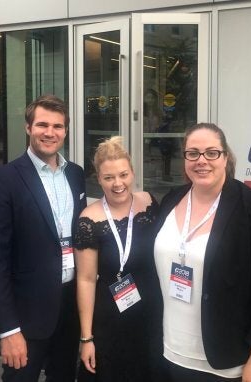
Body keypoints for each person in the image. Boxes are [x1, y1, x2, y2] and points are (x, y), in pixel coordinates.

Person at [154, 123, 251, 382]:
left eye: (211, 152)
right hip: (176, 350)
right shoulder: (172, 200)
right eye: (193, 153)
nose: (201, 161)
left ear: (225, 156)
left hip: (235, 361)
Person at [0, 94, 87, 382]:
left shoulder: (76, 175)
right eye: (42, 125)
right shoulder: (3, 180)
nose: (50, 133)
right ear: (28, 128)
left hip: (69, 307)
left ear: (65, 131)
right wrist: (8, 328)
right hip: (26, 314)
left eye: (57, 126)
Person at [75, 136, 164, 382]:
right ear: (98, 179)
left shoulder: (149, 203)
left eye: (123, 175)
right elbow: (86, 279)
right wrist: (86, 337)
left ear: (133, 173)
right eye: (109, 177)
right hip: (112, 321)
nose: (118, 184)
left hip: (153, 316)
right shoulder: (89, 219)